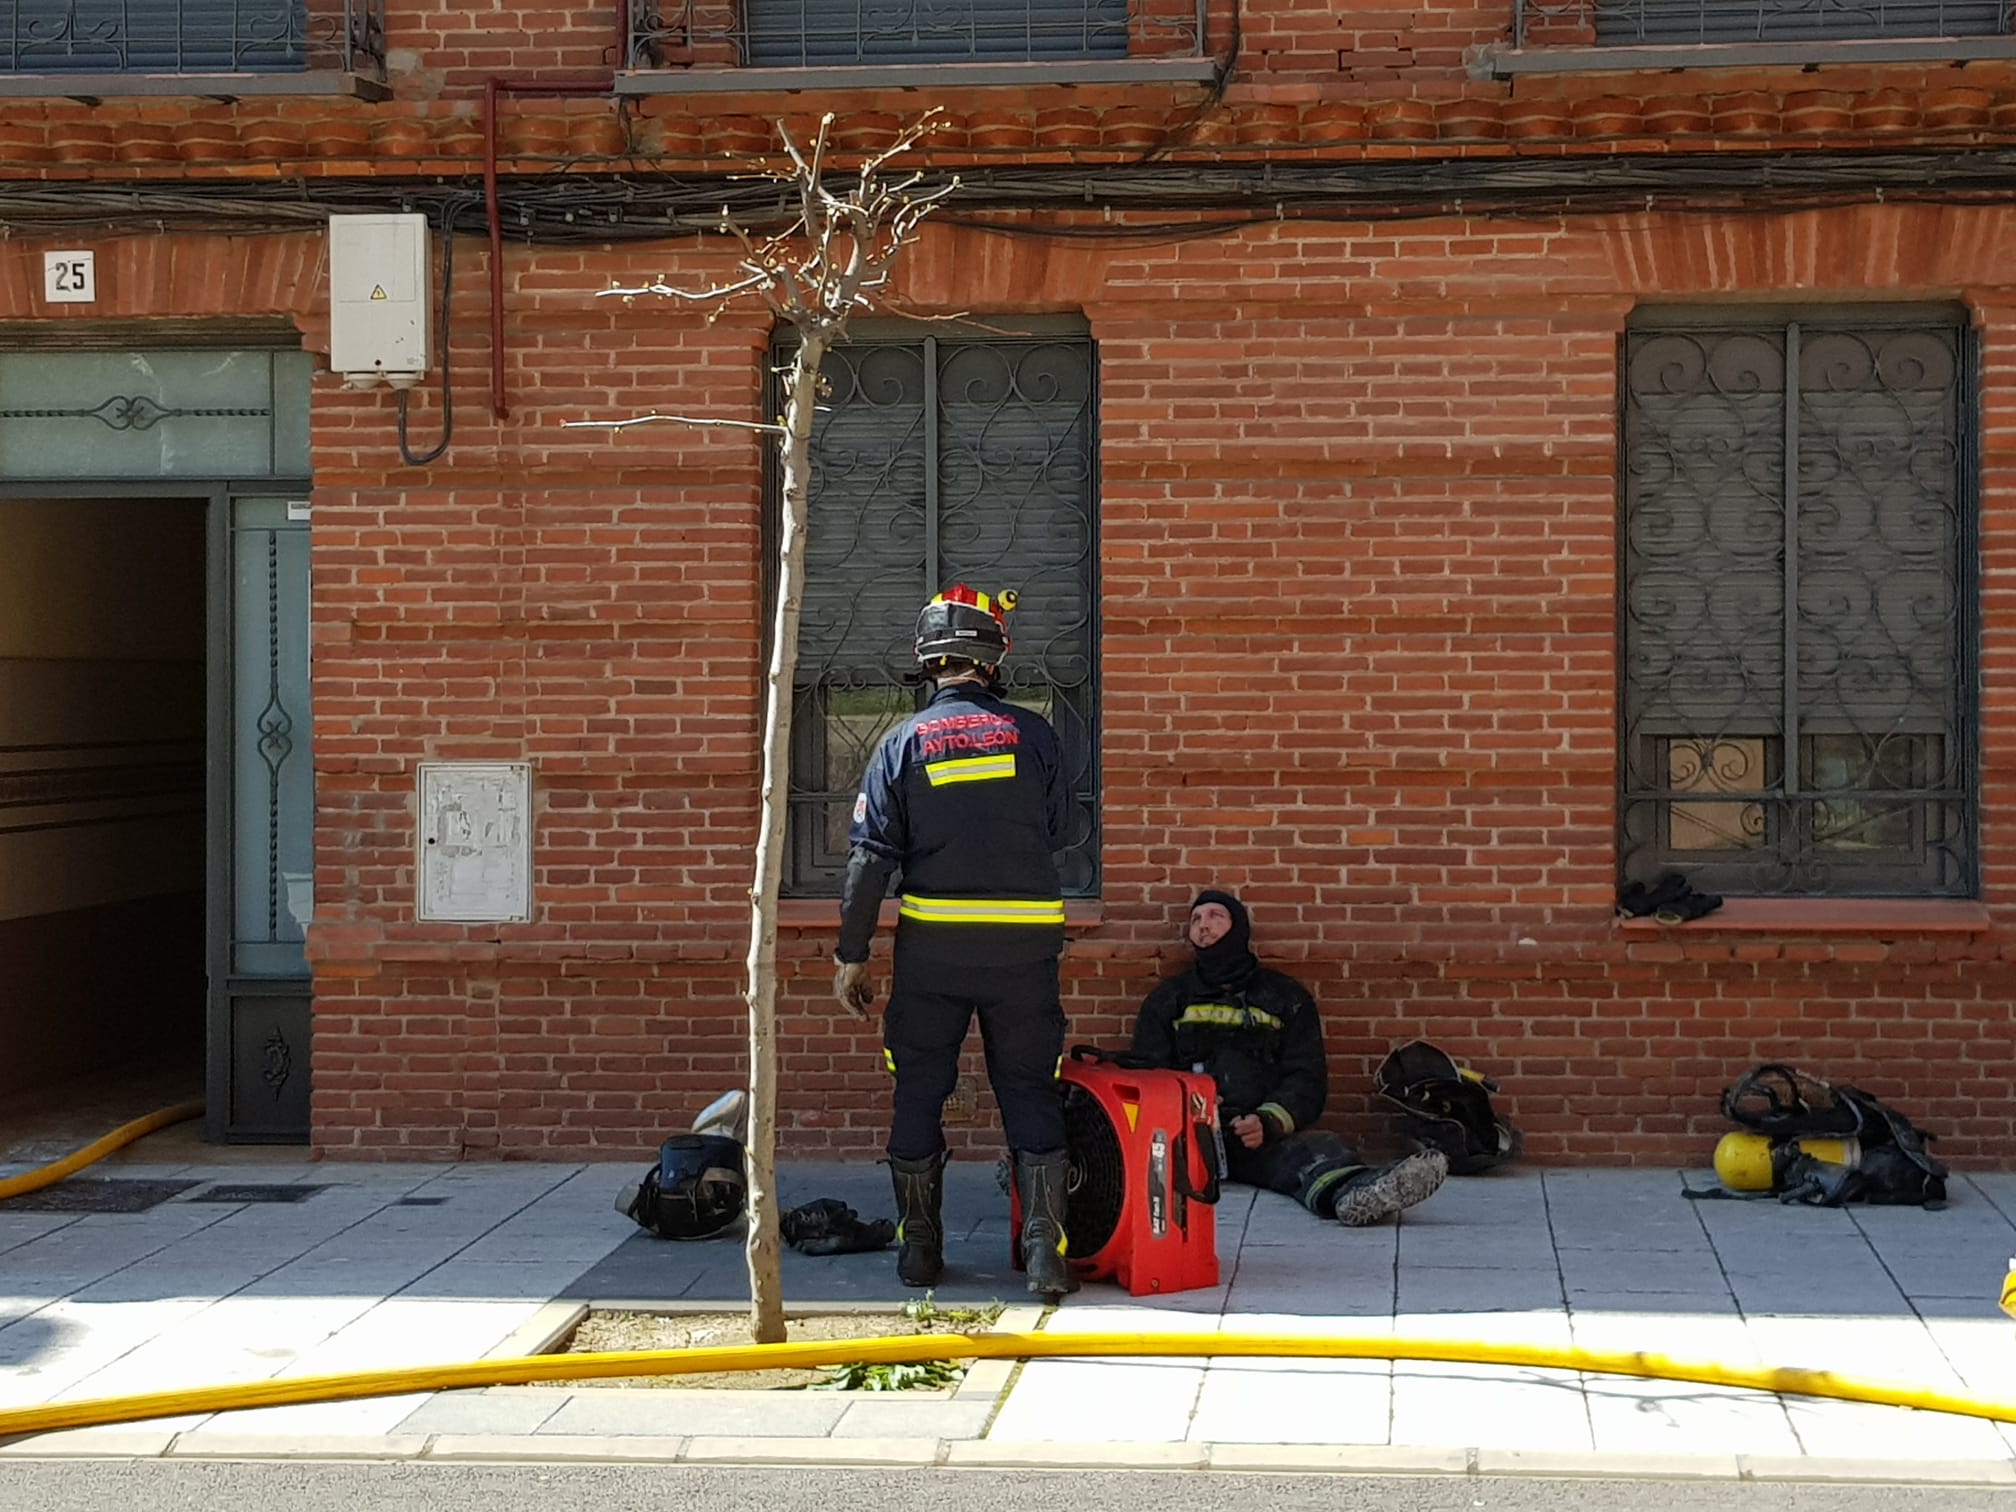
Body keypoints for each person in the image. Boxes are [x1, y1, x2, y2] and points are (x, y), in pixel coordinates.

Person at [832, 584, 1077, 1298]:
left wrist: (852, 955)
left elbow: (869, 859)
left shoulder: (901, 744)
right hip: (1025, 952)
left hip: (934, 952)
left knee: (918, 1091)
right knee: (1030, 1089)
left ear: (926, 662)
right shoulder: (1034, 735)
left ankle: (920, 1253)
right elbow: (1064, 830)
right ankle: (1043, 1255)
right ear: (995, 658)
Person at [1132, 889, 1448, 1226]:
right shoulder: (1169, 1000)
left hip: (1261, 1137)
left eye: (1215, 917)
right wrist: (1192, 1107)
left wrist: (1266, 1122)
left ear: (1238, 929)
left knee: (1319, 1150)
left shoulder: (1284, 997)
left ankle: (1358, 1194)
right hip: (1191, 1138)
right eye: (1196, 919)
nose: (1203, 926)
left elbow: (1307, 1078)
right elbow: (1147, 1075)